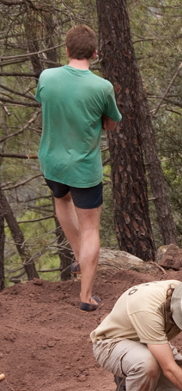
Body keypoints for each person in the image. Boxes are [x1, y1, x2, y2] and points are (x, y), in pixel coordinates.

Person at [35, 25, 122, 311]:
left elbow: (47, 104)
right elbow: (111, 124)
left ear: (67, 50)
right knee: (90, 228)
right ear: (94, 53)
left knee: (61, 200)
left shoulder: (47, 77)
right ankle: (86, 296)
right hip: (84, 168)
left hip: (52, 162)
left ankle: (78, 257)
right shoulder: (102, 87)